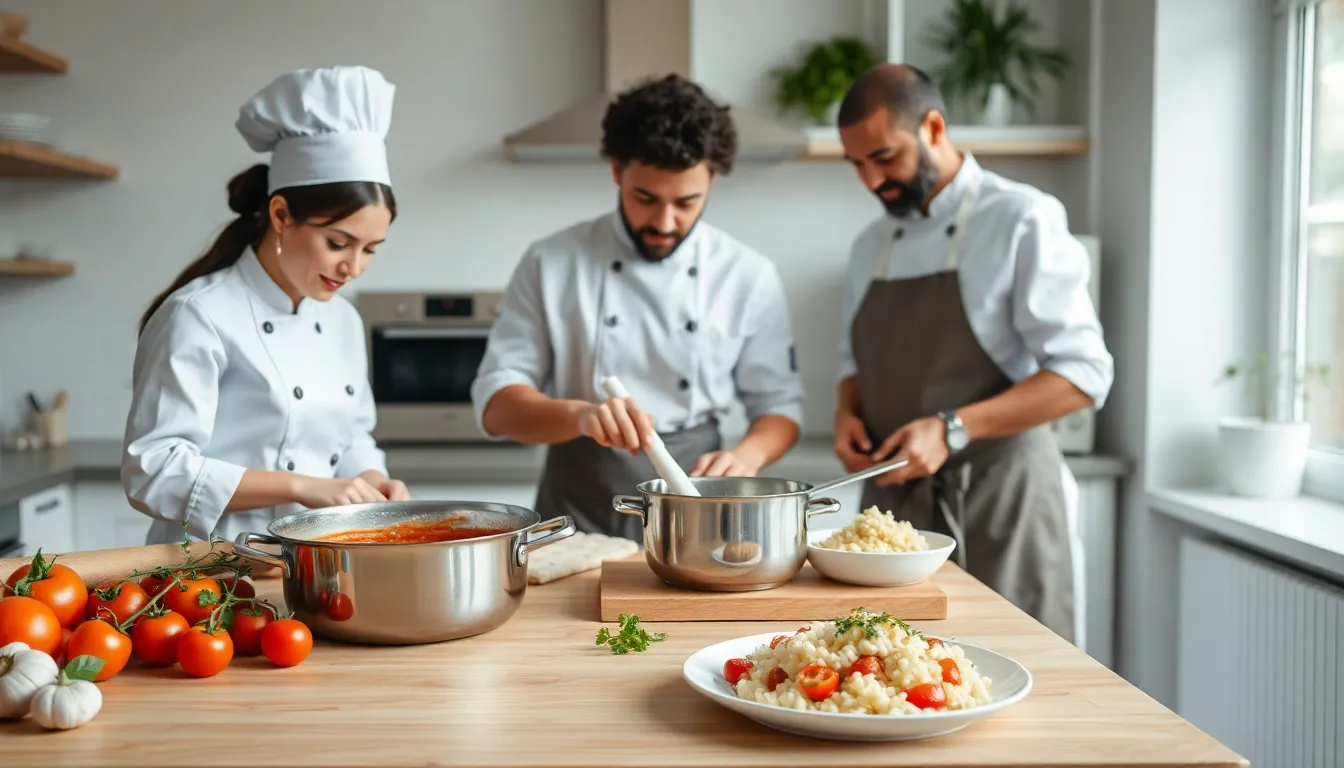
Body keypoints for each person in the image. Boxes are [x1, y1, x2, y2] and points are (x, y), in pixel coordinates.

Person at [830, 64, 1114, 645]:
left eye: (884, 157)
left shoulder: (1021, 218)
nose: (870, 180)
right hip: (893, 517)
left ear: (934, 127)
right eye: (857, 164)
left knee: (1017, 677)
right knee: (886, 686)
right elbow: (851, 363)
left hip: (1001, 503)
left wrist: (951, 428)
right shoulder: (870, 246)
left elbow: (1085, 375)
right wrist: (846, 413)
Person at [471, 74, 805, 540]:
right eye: (645, 198)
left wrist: (747, 456)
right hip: (577, 507)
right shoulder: (552, 262)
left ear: (712, 178)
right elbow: (496, 404)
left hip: (696, 503)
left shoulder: (747, 275)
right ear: (616, 171)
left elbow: (780, 408)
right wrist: (581, 417)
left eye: (687, 202)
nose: (665, 223)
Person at [122, 65, 410, 547]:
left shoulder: (341, 318)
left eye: (371, 248)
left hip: (319, 560)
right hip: (208, 570)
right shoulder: (199, 314)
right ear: (281, 214)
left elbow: (353, 436)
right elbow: (154, 471)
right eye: (338, 242)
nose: (354, 267)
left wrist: (373, 479)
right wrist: (300, 486)